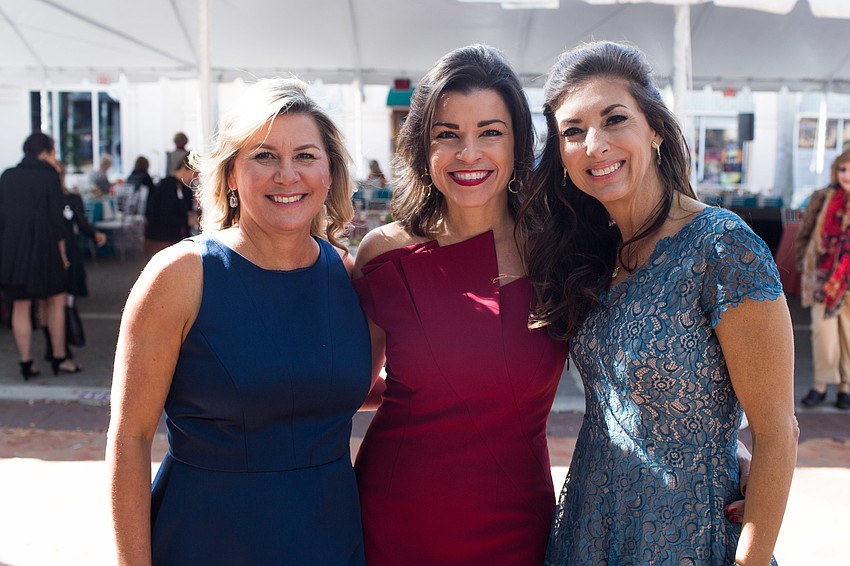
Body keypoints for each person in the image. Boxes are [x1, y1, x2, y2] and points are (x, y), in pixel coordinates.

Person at [521, 41, 798, 565]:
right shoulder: (593, 251)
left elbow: (777, 431)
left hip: (688, 539)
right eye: (572, 132)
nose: (594, 144)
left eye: (614, 119)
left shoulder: (722, 246)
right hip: (591, 527)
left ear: (655, 129)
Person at [106, 77, 371, 564]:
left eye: (306, 156)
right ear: (230, 174)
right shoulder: (181, 275)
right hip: (207, 537)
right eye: (264, 156)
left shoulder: (347, 275)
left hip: (329, 537)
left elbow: (333, 386)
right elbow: (130, 436)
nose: (287, 175)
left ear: (330, 172)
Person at [352, 44, 569, 565]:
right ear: (422, 149)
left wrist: (735, 450)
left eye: (490, 132)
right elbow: (350, 384)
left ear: (519, 144)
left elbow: (632, 381)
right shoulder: (384, 253)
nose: (468, 153)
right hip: (395, 517)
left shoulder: (560, 253)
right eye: (447, 135)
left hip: (517, 520)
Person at [0, 132, 81, 378]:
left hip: (14, 249)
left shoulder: (8, 175)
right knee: (56, 300)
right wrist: (63, 253)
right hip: (44, 248)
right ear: (45, 152)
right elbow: (56, 219)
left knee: (20, 306)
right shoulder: (49, 175)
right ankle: (59, 358)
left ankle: (26, 363)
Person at [796, 148, 850, 410]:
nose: (847, 175)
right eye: (843, 169)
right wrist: (802, 263)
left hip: (848, 281)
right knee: (823, 334)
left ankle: (845, 388)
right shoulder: (822, 198)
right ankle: (820, 386)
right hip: (823, 279)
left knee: (848, 337)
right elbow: (805, 233)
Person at [43, 164, 107, 361]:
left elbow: (80, 222)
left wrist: (94, 234)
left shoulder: (59, 200)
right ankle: (59, 348)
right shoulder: (62, 199)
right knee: (60, 303)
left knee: (51, 303)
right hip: (61, 255)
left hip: (53, 254)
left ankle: (55, 346)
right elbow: (81, 222)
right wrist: (95, 234)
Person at [143, 155, 195, 259]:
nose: (195, 178)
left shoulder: (183, 187)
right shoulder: (168, 185)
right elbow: (165, 216)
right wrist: (187, 220)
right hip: (161, 239)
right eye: (195, 173)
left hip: (173, 237)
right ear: (184, 168)